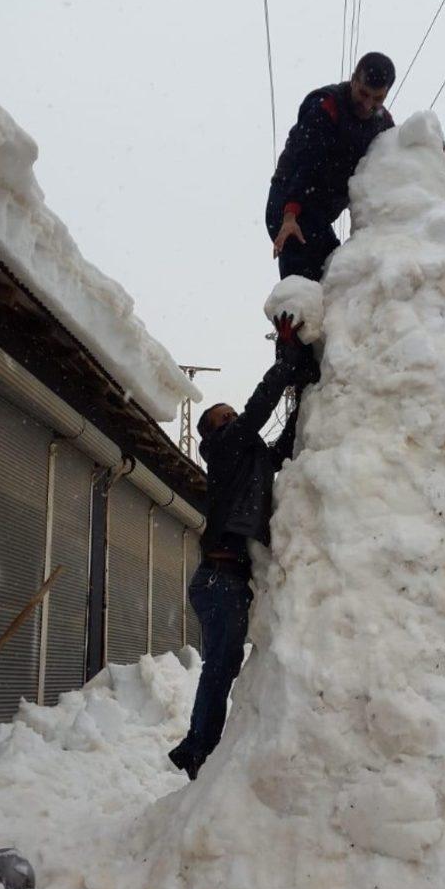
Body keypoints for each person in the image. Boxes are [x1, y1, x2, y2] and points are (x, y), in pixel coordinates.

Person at [169, 317, 318, 781]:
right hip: (218, 579)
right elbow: (256, 411)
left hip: (230, 579)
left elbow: (280, 448)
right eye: (223, 420)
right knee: (221, 666)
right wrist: (285, 364)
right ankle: (197, 750)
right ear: (212, 436)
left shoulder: (249, 457)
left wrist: (308, 402)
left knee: (225, 665)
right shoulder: (227, 450)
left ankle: (201, 748)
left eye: (231, 417)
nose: (232, 422)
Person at [266, 51, 445, 284]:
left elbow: (398, 160)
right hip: (290, 203)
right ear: (354, 79)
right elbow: (303, 167)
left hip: (319, 215)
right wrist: (289, 216)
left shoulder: (381, 122)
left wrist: (439, 160)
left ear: (386, 93)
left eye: (377, 99)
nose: (367, 105)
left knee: (337, 275)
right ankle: (293, 311)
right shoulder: (326, 107)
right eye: (363, 94)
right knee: (305, 278)